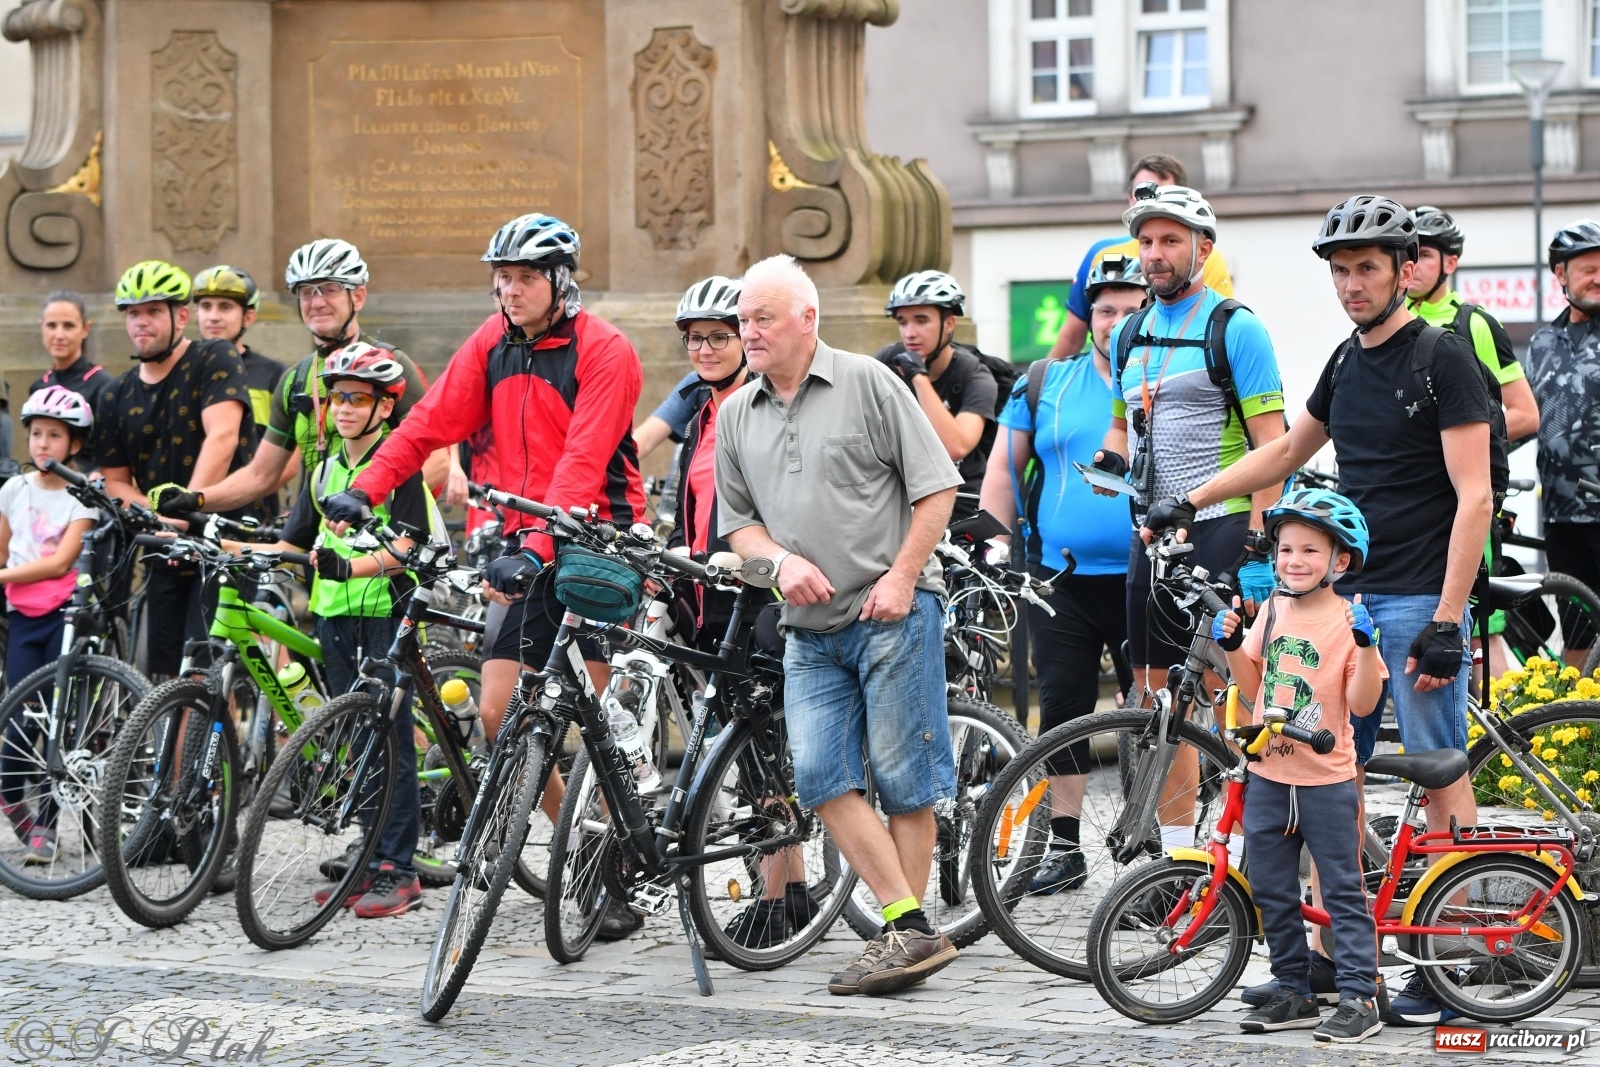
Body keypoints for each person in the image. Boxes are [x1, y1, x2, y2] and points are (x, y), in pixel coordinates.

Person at [1140, 195, 1497, 1027]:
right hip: (1349, 601)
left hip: (1418, 600)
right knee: (1324, 774)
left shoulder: (1441, 358)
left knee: (1441, 774)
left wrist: (1448, 618)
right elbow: (1289, 449)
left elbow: (1474, 496)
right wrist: (1188, 497)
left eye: (1367, 268)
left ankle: (1459, 955)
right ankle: (1335, 965)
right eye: (1340, 271)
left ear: (1407, 270)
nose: (1352, 285)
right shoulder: (1347, 359)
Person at [320, 213, 647, 941]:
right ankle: (584, 848)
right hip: (525, 543)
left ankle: (623, 850)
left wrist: (538, 543)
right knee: (502, 711)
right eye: (501, 279)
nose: (509, 291)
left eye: (525, 278)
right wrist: (367, 487)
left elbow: (582, 464)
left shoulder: (606, 351)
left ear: (561, 281)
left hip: (596, 540)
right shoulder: (493, 341)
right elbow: (429, 420)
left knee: (590, 722)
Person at [715, 253, 963, 997]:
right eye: (743, 319)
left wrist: (902, 576)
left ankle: (900, 940)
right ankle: (912, 927)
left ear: (806, 319)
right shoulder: (736, 412)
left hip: (891, 609)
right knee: (822, 777)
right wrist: (779, 563)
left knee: (903, 783)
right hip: (807, 625)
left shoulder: (867, 382)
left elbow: (937, 488)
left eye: (762, 318)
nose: (748, 332)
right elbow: (740, 530)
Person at [1087, 182, 1285, 852]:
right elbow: (1123, 427)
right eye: (1146, 242)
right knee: (1160, 698)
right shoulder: (1132, 332)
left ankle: (1259, 843)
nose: (1156, 254)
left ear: (1203, 247)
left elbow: (1274, 446)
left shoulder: (1237, 327)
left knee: (1233, 691)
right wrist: (1108, 463)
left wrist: (1260, 550)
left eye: (1170, 240)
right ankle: (1179, 859)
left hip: (1223, 524)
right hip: (1153, 532)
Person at [977, 253, 1145, 893]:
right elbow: (1002, 469)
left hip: (1145, 576)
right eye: (1105, 309)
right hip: (1060, 581)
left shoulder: (1165, 384)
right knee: (1066, 709)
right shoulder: (1044, 383)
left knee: (1152, 713)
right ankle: (1065, 846)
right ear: (1089, 317)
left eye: (1132, 310)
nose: (1117, 321)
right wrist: (994, 547)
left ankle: (1153, 844)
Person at [270, 344, 439, 918]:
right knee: (353, 742)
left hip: (386, 612)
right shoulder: (323, 470)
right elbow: (292, 540)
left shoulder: (398, 464)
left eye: (357, 398)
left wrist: (354, 565)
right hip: (335, 615)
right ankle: (369, 858)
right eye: (336, 397)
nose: (343, 408)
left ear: (385, 405)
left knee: (389, 742)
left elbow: (411, 545)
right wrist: (209, 535)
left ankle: (399, 868)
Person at [1211, 489, 1386, 1044]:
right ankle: (1293, 986)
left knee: (1338, 889)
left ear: (1340, 561)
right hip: (1267, 772)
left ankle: (1360, 994)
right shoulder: (1276, 609)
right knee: (1271, 887)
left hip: (1326, 781)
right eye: (1286, 549)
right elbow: (1254, 685)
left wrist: (1369, 647)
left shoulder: (1346, 619)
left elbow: (1361, 704)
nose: (1294, 561)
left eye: (1309, 551)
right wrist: (1237, 644)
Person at [153, 239, 447, 521]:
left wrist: (369, 504)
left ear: (357, 297)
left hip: (381, 543)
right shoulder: (294, 380)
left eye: (329, 289)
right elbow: (260, 475)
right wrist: (196, 499)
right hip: (319, 544)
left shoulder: (392, 365)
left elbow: (437, 461)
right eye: (306, 292)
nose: (316, 302)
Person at [97, 261, 253, 678]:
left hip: (223, 541)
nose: (141, 322)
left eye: (152, 311)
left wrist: (185, 510)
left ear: (180, 316)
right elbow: (115, 481)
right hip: (163, 547)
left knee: (203, 672)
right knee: (168, 676)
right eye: (133, 313)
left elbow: (222, 438)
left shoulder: (214, 357)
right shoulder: (114, 394)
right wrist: (156, 519)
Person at [0, 387, 98, 864]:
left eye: (54, 436)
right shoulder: (12, 491)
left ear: (73, 445)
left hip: (62, 616)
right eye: (36, 434)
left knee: (54, 723)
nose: (43, 444)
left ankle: (46, 825)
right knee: (19, 721)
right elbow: (2, 548)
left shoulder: (82, 497)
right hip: (22, 617)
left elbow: (61, 563)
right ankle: (9, 793)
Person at [1045, 155, 1235, 360]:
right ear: (1129, 199)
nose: (1151, 201)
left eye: (1162, 192)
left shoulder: (1209, 259)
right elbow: (1072, 336)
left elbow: (1220, 333)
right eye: (1142, 192)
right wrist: (1036, 384)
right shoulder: (1102, 255)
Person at [1527, 220, 1600, 658]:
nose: (1598, 277)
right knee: (1575, 630)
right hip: (1560, 511)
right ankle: (1574, 719)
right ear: (1561, 274)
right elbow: (1528, 416)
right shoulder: (1542, 343)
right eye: (1588, 269)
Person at [876, 271, 999, 521]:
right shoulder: (885, 364)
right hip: (900, 505)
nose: (909, 333)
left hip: (960, 507)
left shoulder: (974, 374)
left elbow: (956, 446)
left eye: (921, 321)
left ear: (949, 324)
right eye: (902, 322)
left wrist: (918, 378)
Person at [191, 265, 291, 516]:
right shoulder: (181, 369)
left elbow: (291, 457)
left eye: (225, 307)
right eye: (205, 306)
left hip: (250, 511)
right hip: (185, 507)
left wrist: (244, 492)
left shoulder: (274, 373)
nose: (213, 316)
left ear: (248, 317)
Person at [30, 291, 110, 462]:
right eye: (51, 325)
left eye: (68, 326)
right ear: (41, 327)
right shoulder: (38, 388)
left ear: (85, 329)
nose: (59, 335)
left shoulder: (104, 386)